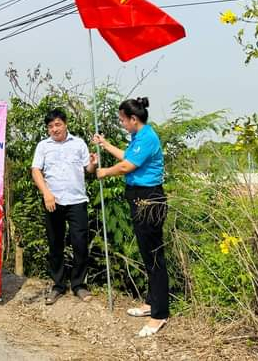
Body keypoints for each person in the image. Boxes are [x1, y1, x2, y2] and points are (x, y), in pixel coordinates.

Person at [93, 97, 169, 337]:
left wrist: (104, 172)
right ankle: (151, 303)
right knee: (147, 254)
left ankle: (160, 314)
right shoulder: (140, 137)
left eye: (123, 120)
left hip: (149, 200)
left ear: (133, 119)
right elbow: (127, 156)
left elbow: (127, 167)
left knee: (154, 257)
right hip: (138, 198)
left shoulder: (147, 137)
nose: (122, 124)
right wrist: (105, 145)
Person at [32, 108, 97, 305]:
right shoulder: (43, 146)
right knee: (55, 244)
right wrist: (46, 193)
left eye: (58, 124)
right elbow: (36, 170)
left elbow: (88, 169)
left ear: (65, 124)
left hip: (77, 200)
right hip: (53, 201)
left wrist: (94, 163)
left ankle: (79, 285)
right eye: (50, 126)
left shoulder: (79, 144)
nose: (54, 129)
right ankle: (58, 285)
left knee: (79, 243)